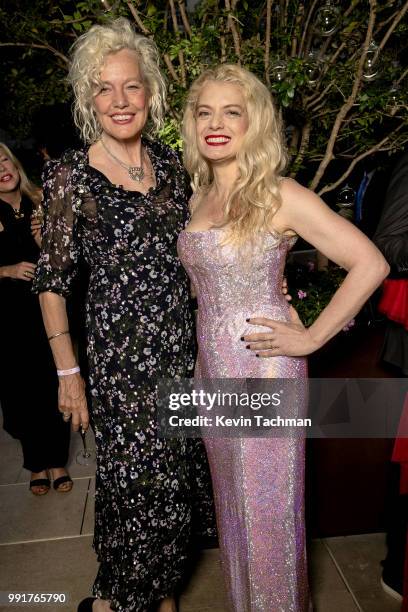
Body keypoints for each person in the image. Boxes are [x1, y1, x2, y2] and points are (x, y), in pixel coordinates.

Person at [178, 64, 389, 611]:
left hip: (264, 367)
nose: (216, 124)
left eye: (232, 112)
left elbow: (369, 262)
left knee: (269, 517)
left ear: (256, 124)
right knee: (234, 508)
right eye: (205, 112)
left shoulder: (280, 194)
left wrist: (313, 337)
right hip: (213, 371)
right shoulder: (200, 193)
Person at [32, 18, 214, 612]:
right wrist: (68, 372)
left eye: (130, 86)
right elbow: (52, 278)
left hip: (179, 348)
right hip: (118, 360)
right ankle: (123, 597)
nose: (120, 100)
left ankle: (145, 593)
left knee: (176, 480)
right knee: (137, 482)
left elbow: (199, 249)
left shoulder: (170, 162)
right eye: (105, 89)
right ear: (89, 98)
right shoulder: (69, 173)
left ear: (149, 92)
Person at [0, 143, 72, 495]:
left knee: (51, 383)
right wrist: (7, 270)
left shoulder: (41, 200)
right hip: (7, 318)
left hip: (46, 309)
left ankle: (57, 460)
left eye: (4, 159)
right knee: (20, 391)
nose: (2, 168)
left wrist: (46, 241)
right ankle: (35, 464)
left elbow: (68, 254)